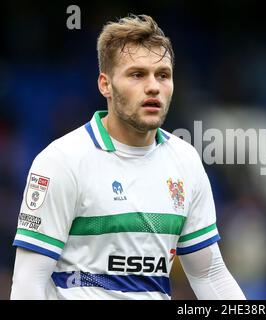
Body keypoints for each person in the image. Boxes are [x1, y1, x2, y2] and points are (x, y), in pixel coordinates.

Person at [10, 14, 246, 300]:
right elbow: (28, 283)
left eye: (163, 75)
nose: (153, 86)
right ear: (105, 85)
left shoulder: (186, 161)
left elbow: (210, 275)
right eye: (137, 74)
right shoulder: (61, 161)